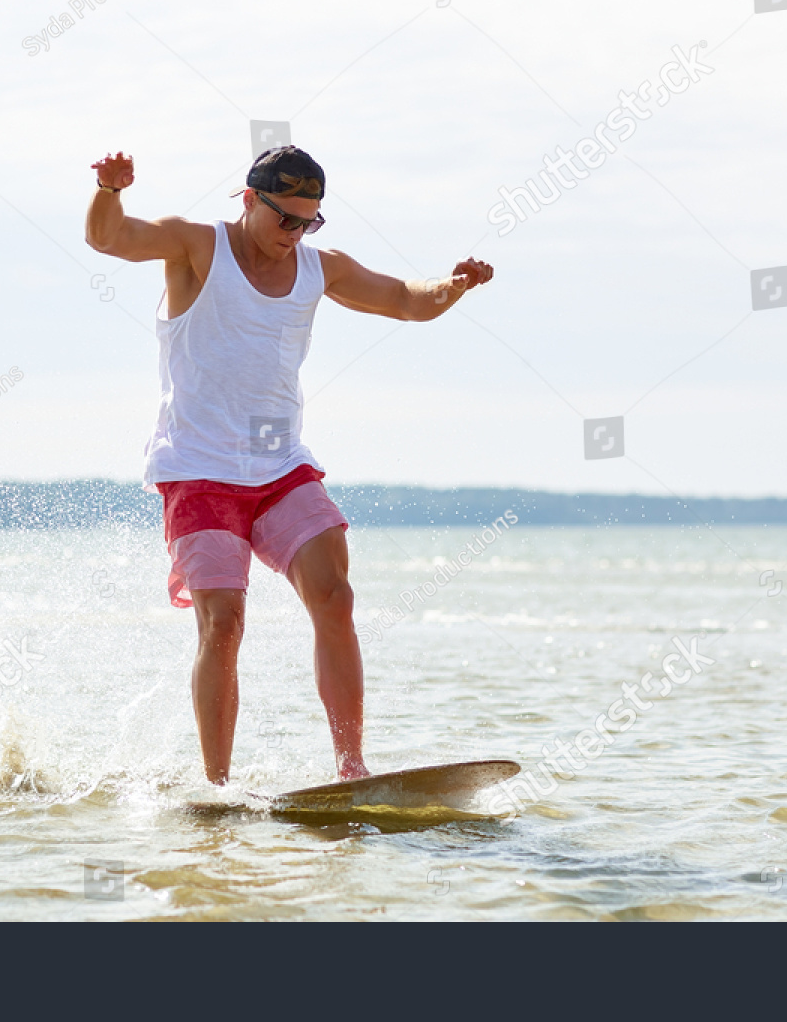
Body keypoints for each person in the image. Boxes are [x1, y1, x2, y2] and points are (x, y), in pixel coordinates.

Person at [84, 145, 494, 784]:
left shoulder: (319, 269)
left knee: (335, 596)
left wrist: (454, 284)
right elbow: (110, 239)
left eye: (310, 222)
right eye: (286, 220)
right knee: (223, 623)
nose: (296, 234)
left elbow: (407, 300)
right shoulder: (197, 247)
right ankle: (216, 786)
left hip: (280, 468)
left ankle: (351, 769)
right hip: (198, 470)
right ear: (249, 201)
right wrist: (110, 190)